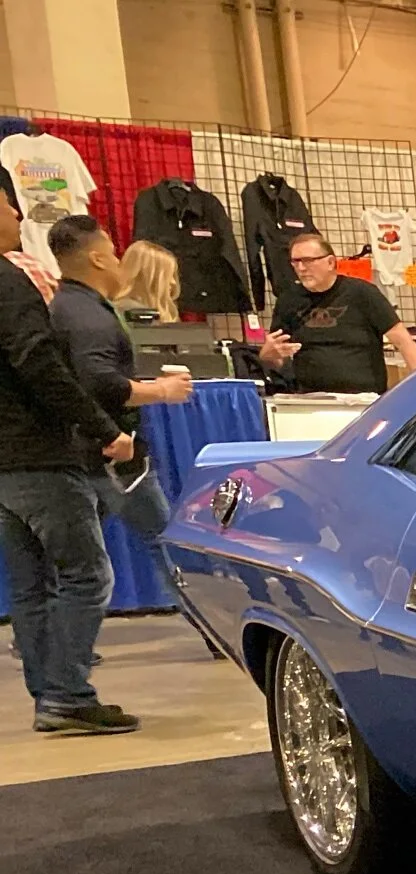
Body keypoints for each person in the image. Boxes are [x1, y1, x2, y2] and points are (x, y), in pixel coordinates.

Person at [0, 188, 138, 734]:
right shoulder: (10, 283)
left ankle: (52, 696)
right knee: (87, 575)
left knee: (33, 585)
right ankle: (65, 694)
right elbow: (41, 365)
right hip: (39, 455)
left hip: (5, 466)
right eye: (5, 203)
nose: (16, 212)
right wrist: (104, 428)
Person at [48, 215, 194, 606]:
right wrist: (161, 390)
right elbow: (100, 383)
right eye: (113, 254)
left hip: (88, 450)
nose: (118, 263)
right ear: (97, 259)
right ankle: (211, 623)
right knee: (164, 543)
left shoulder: (72, 307)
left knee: (78, 565)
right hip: (112, 452)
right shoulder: (88, 317)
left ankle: (53, 636)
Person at [257, 231, 416, 392]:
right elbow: (277, 357)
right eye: (295, 261)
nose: (301, 268)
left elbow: (403, 341)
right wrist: (267, 355)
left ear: (330, 262)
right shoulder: (288, 300)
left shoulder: (363, 293)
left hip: (364, 399)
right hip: (309, 400)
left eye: (308, 261)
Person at [115, 239, 182, 326]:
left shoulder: (164, 313)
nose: (173, 282)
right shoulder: (130, 313)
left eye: (173, 275)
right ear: (145, 276)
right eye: (167, 275)